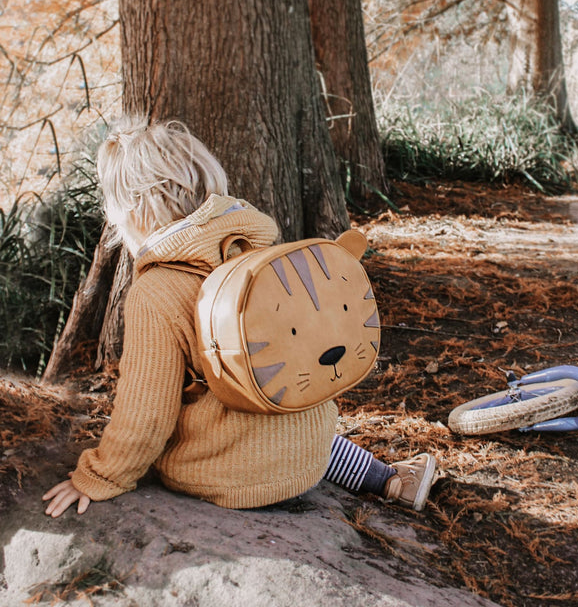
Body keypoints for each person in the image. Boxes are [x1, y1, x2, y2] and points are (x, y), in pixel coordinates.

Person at [43, 117, 436, 518]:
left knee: (212, 437)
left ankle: (375, 476)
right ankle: (389, 480)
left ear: (134, 210)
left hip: (227, 475)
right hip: (309, 451)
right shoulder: (256, 249)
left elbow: (147, 414)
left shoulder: (157, 290)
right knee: (291, 428)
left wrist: (102, 476)